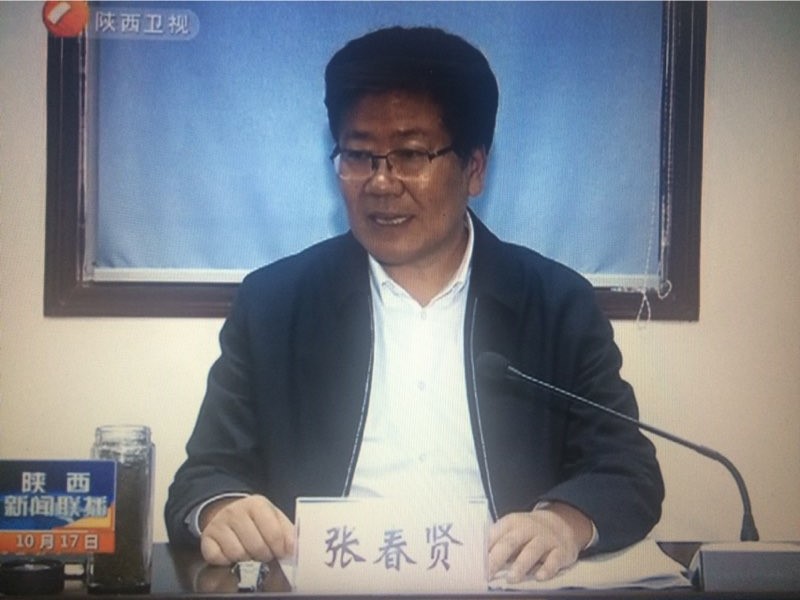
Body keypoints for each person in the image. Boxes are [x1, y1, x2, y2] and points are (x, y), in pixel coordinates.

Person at [165, 26, 663, 583]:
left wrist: (562, 522)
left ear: (475, 168)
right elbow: (203, 476)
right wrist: (222, 508)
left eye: (409, 154)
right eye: (359, 155)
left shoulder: (554, 303)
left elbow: (627, 470)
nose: (381, 182)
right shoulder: (275, 303)